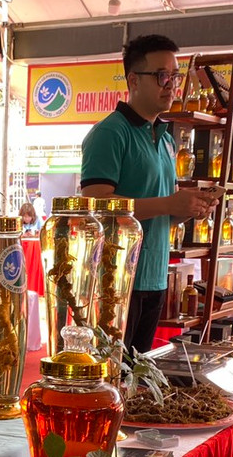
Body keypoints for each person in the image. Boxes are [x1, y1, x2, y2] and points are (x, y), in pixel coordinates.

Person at [80, 33, 217, 353]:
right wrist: (170, 202)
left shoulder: (166, 139)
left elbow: (157, 214)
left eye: (175, 76)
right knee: (110, 378)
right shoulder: (110, 133)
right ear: (133, 80)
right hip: (114, 282)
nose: (171, 84)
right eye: (162, 75)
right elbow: (96, 206)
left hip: (155, 275)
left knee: (139, 380)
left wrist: (188, 208)